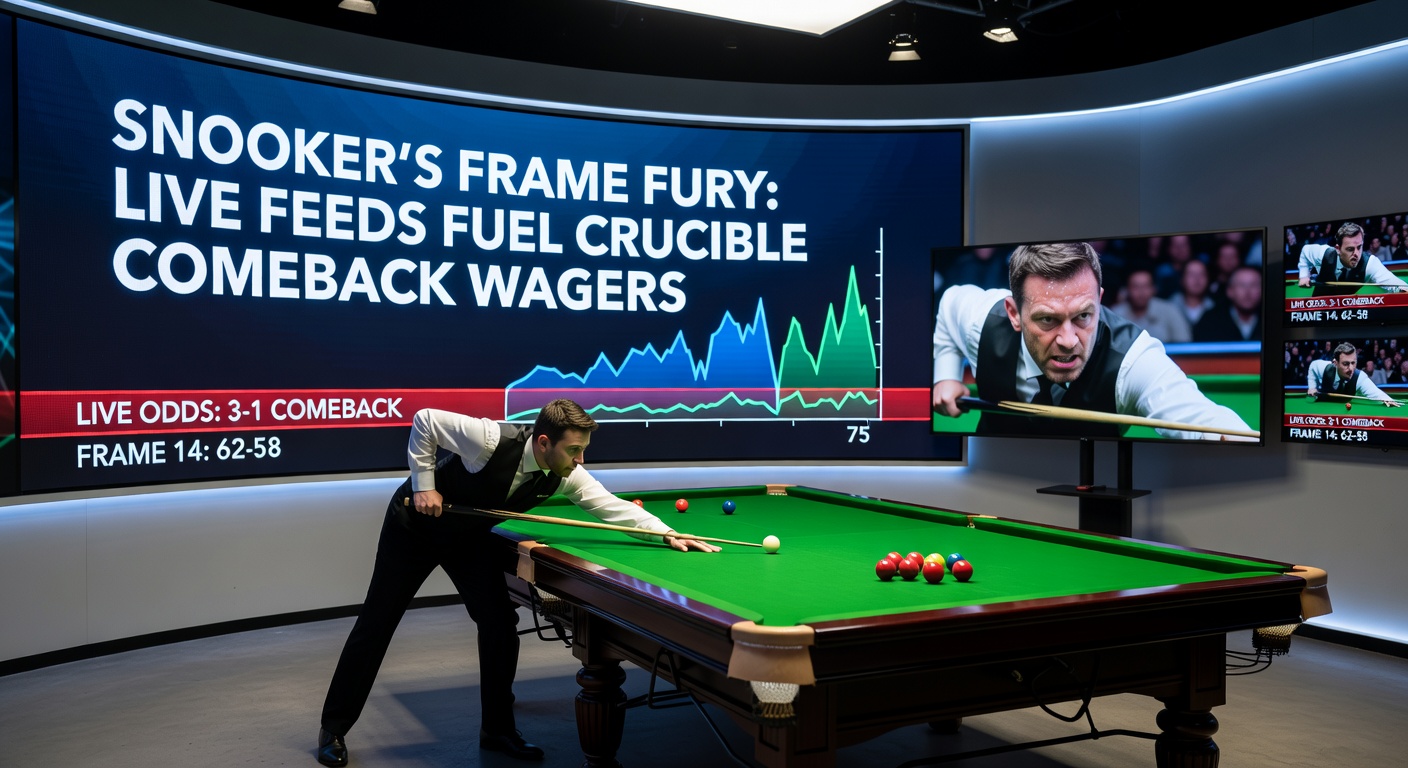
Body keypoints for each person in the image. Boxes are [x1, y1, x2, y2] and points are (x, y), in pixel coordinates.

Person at [316, 400, 720, 766]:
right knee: (377, 624)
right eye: (574, 450)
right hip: (415, 529)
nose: (581, 459)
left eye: (583, 450)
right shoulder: (490, 439)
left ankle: (497, 731)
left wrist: (665, 533)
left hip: (468, 538)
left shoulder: (567, 475)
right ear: (544, 442)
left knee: (499, 627)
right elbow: (425, 421)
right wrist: (425, 486)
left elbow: (611, 508)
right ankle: (333, 728)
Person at [931, 241, 1254, 440]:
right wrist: (946, 374)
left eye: (1083, 316)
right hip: (993, 483)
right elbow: (948, 304)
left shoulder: (1131, 359)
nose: (1069, 341)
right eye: (1048, 319)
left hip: (1090, 496)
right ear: (1014, 313)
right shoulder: (982, 319)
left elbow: (1203, 420)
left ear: (1099, 301)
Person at [1297, 222, 1408, 296]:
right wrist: (1303, 275)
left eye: (1359, 247)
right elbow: (1305, 251)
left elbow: (1396, 285)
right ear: (1338, 249)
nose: (1356, 254)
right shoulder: (1324, 253)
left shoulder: (1370, 263)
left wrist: (1403, 289)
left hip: (1348, 312)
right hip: (1319, 313)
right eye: (1350, 249)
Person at [1306, 343, 1401, 407]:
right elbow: (1313, 366)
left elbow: (1375, 392)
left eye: (1353, 363)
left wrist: (1387, 399)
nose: (1351, 368)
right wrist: (1312, 387)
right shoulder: (1324, 368)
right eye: (1345, 364)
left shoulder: (1359, 377)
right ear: (1335, 363)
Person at [1112, 268, 1191, 343]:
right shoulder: (1115, 315)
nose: (1141, 292)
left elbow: (1184, 344)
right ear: (1127, 290)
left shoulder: (1170, 311)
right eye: (1136, 287)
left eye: (1146, 286)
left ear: (1154, 289)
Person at [1193, 266, 1263, 342]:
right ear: (1229, 291)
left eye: (1254, 285)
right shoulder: (1210, 321)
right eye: (1242, 285)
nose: (1247, 292)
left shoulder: (1274, 320)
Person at [1169, 259, 1216, 327]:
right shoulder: (1170, 307)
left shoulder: (1213, 307)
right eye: (1191, 274)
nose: (1197, 279)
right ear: (1182, 279)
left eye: (1201, 274)